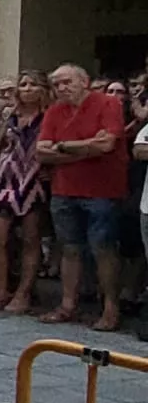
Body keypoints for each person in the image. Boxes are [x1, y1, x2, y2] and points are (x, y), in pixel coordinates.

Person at [40, 63, 128, 330]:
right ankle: (68, 304)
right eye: (56, 84)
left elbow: (107, 144)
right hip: (64, 189)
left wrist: (64, 147)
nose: (62, 88)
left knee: (103, 248)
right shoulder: (55, 111)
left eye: (67, 82)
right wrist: (87, 147)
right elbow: (41, 152)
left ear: (84, 81)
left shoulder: (107, 104)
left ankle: (111, 308)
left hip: (102, 190)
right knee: (69, 248)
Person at [0, 70, 48, 312]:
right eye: (23, 84)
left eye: (33, 84)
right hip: (5, 176)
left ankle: (24, 293)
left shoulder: (49, 116)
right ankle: (1, 290)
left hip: (33, 179)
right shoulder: (9, 114)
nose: (27, 88)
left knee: (31, 239)